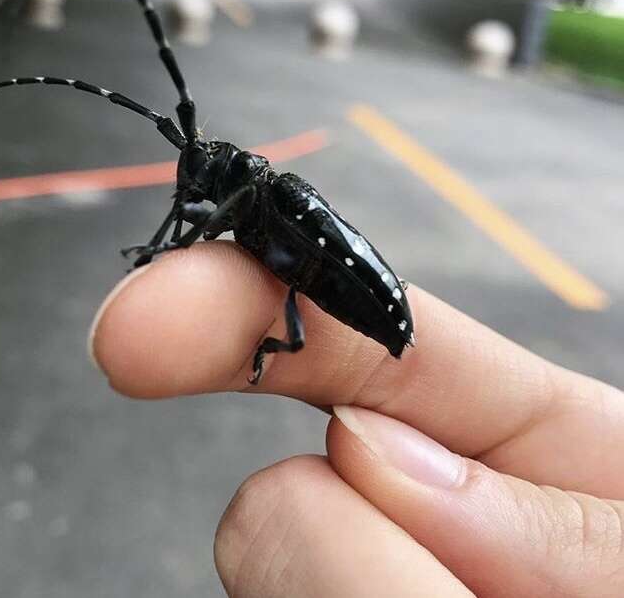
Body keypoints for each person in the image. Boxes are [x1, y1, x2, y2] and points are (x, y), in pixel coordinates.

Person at [89, 241, 624, 597]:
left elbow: (204, 220)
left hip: (361, 294)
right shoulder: (256, 199)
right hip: (348, 291)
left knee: (294, 339)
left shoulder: (267, 199)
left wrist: (167, 245)